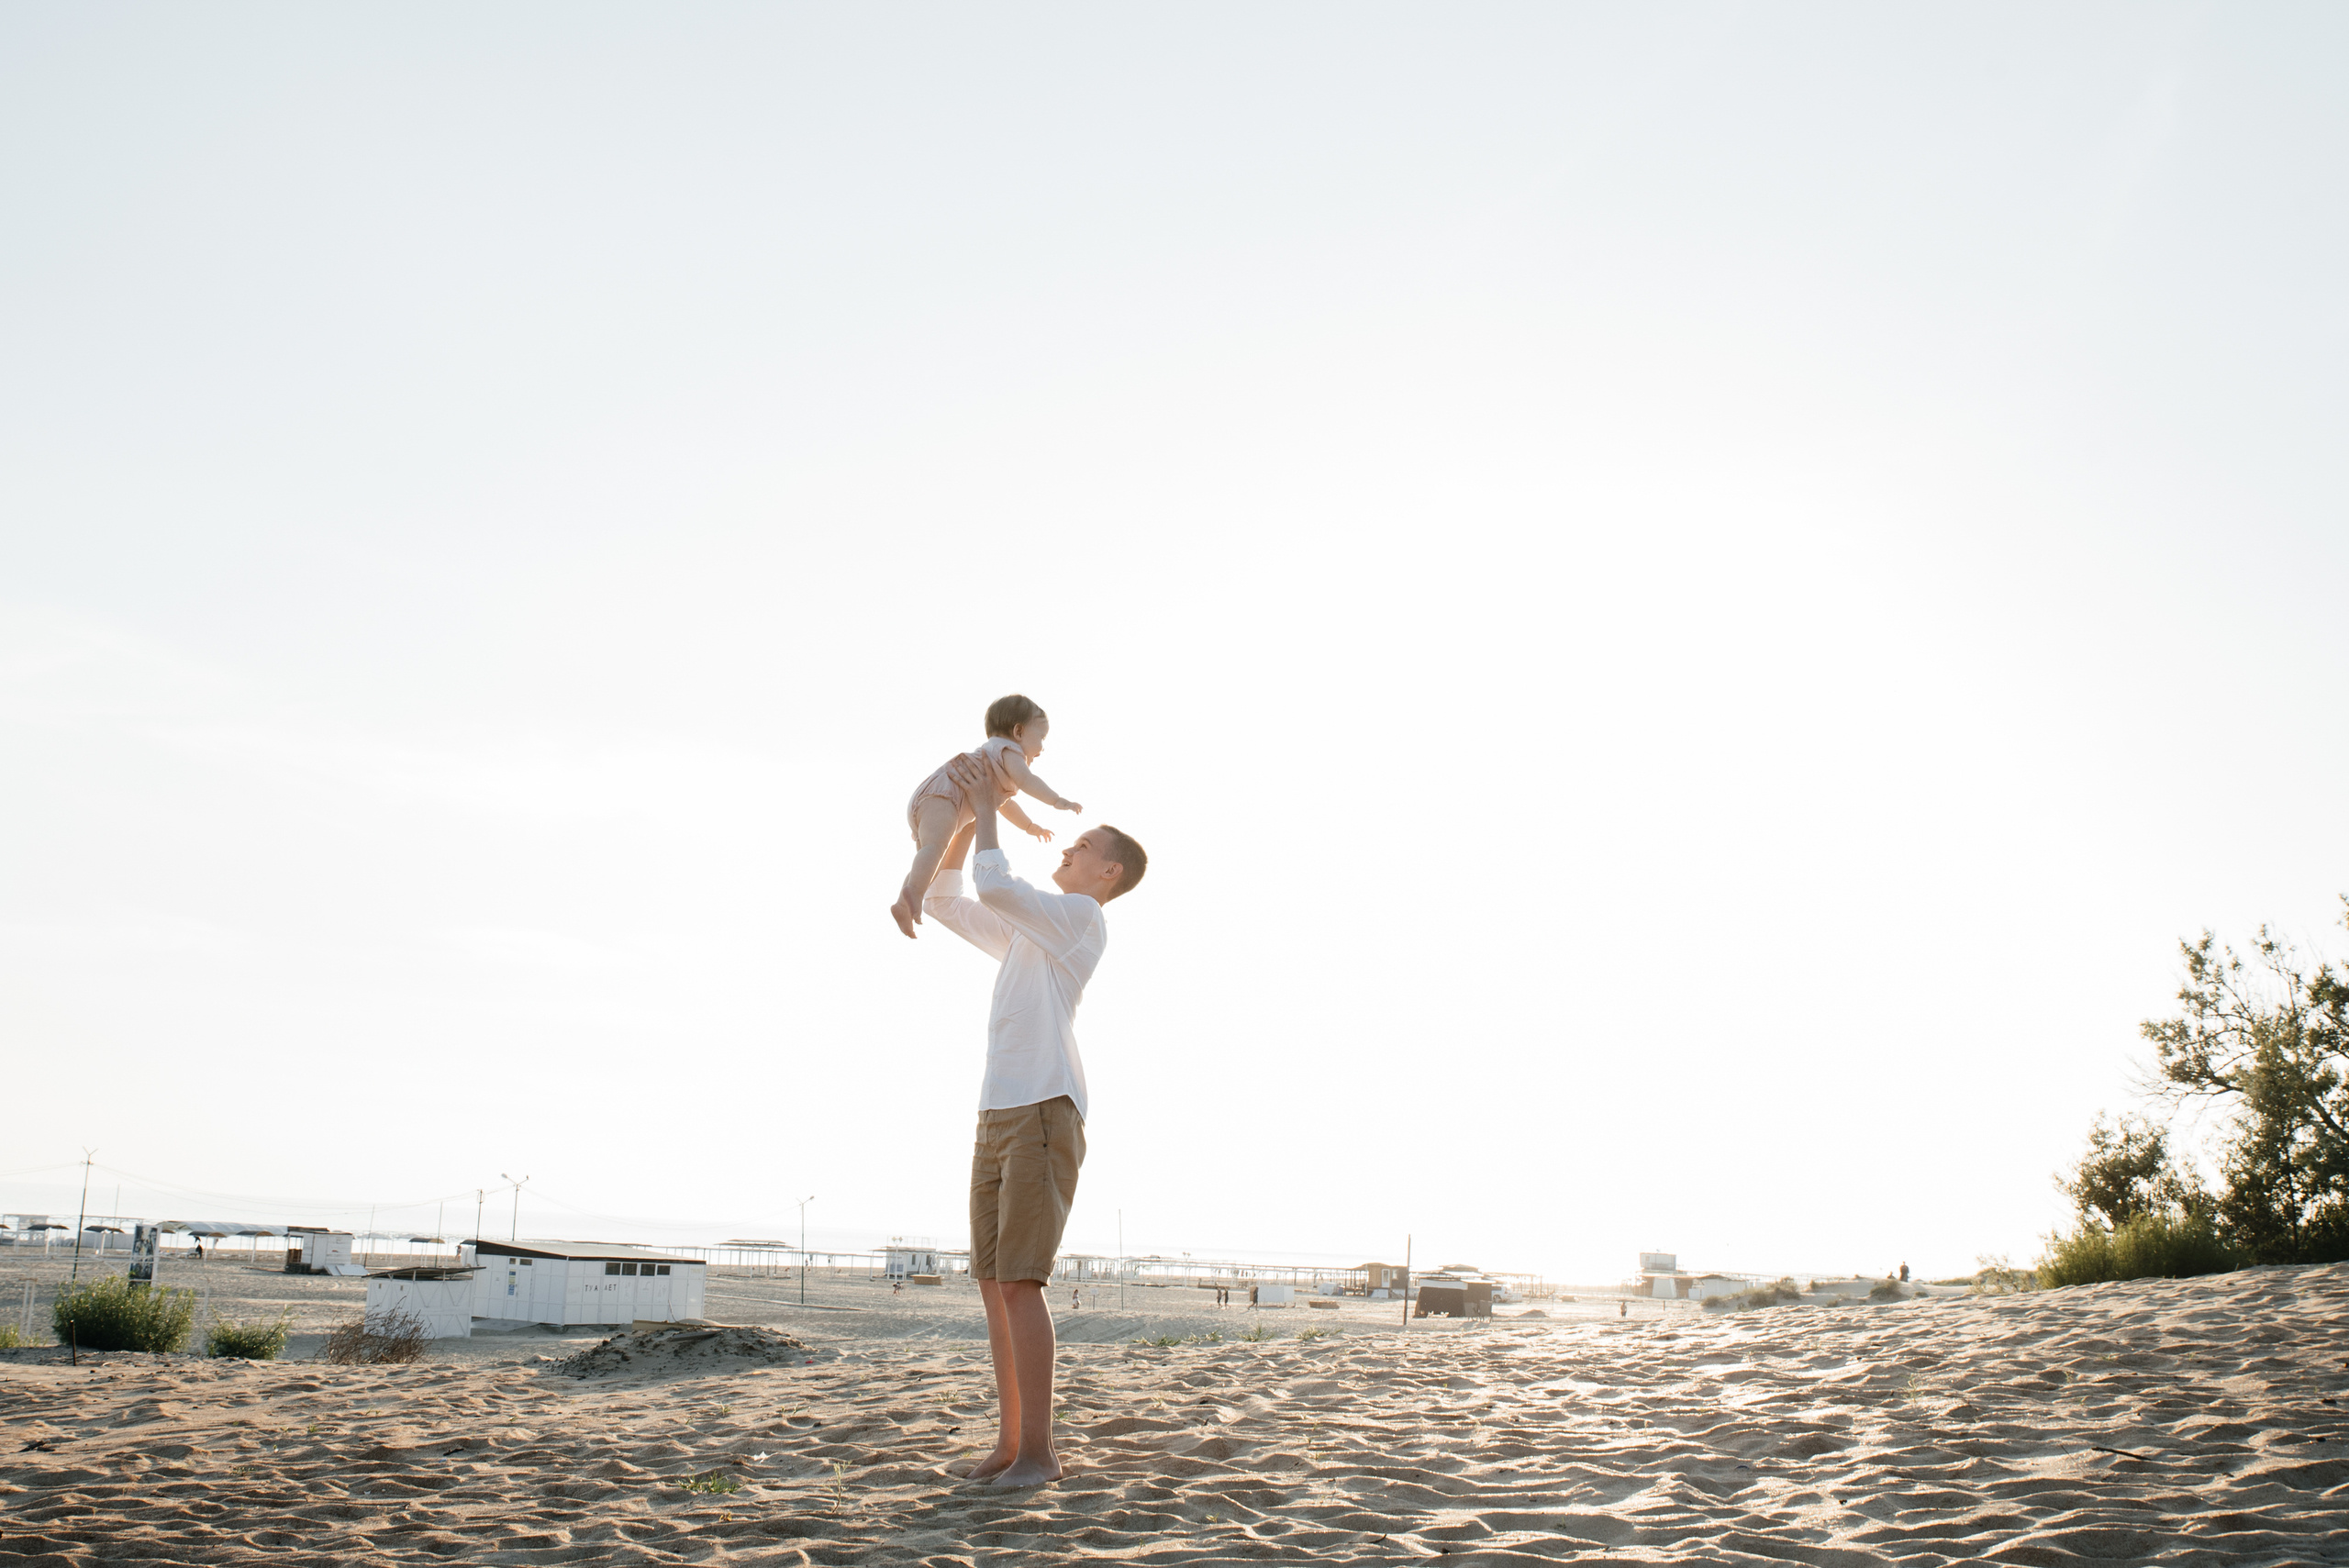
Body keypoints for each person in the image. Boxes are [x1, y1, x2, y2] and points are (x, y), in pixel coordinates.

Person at [920, 753, 1145, 1489]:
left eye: (1083, 847)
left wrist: (987, 804)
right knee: (993, 1282)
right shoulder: (1029, 930)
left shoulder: (1078, 919)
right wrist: (957, 822)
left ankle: (1042, 1454)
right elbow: (946, 900)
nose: (1069, 848)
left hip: (1046, 1107)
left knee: (1020, 1281)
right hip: (998, 1109)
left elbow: (993, 881)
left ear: (1107, 873)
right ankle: (1011, 1444)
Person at [892, 694, 1084, 938]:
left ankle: (904, 903)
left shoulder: (994, 762)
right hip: (945, 796)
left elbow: (1002, 805)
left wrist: (1029, 826)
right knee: (934, 850)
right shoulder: (1010, 752)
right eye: (1041, 738)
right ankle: (915, 895)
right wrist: (1057, 800)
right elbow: (1028, 781)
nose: (1042, 748)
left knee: (930, 857)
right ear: (1018, 732)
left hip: (934, 799)